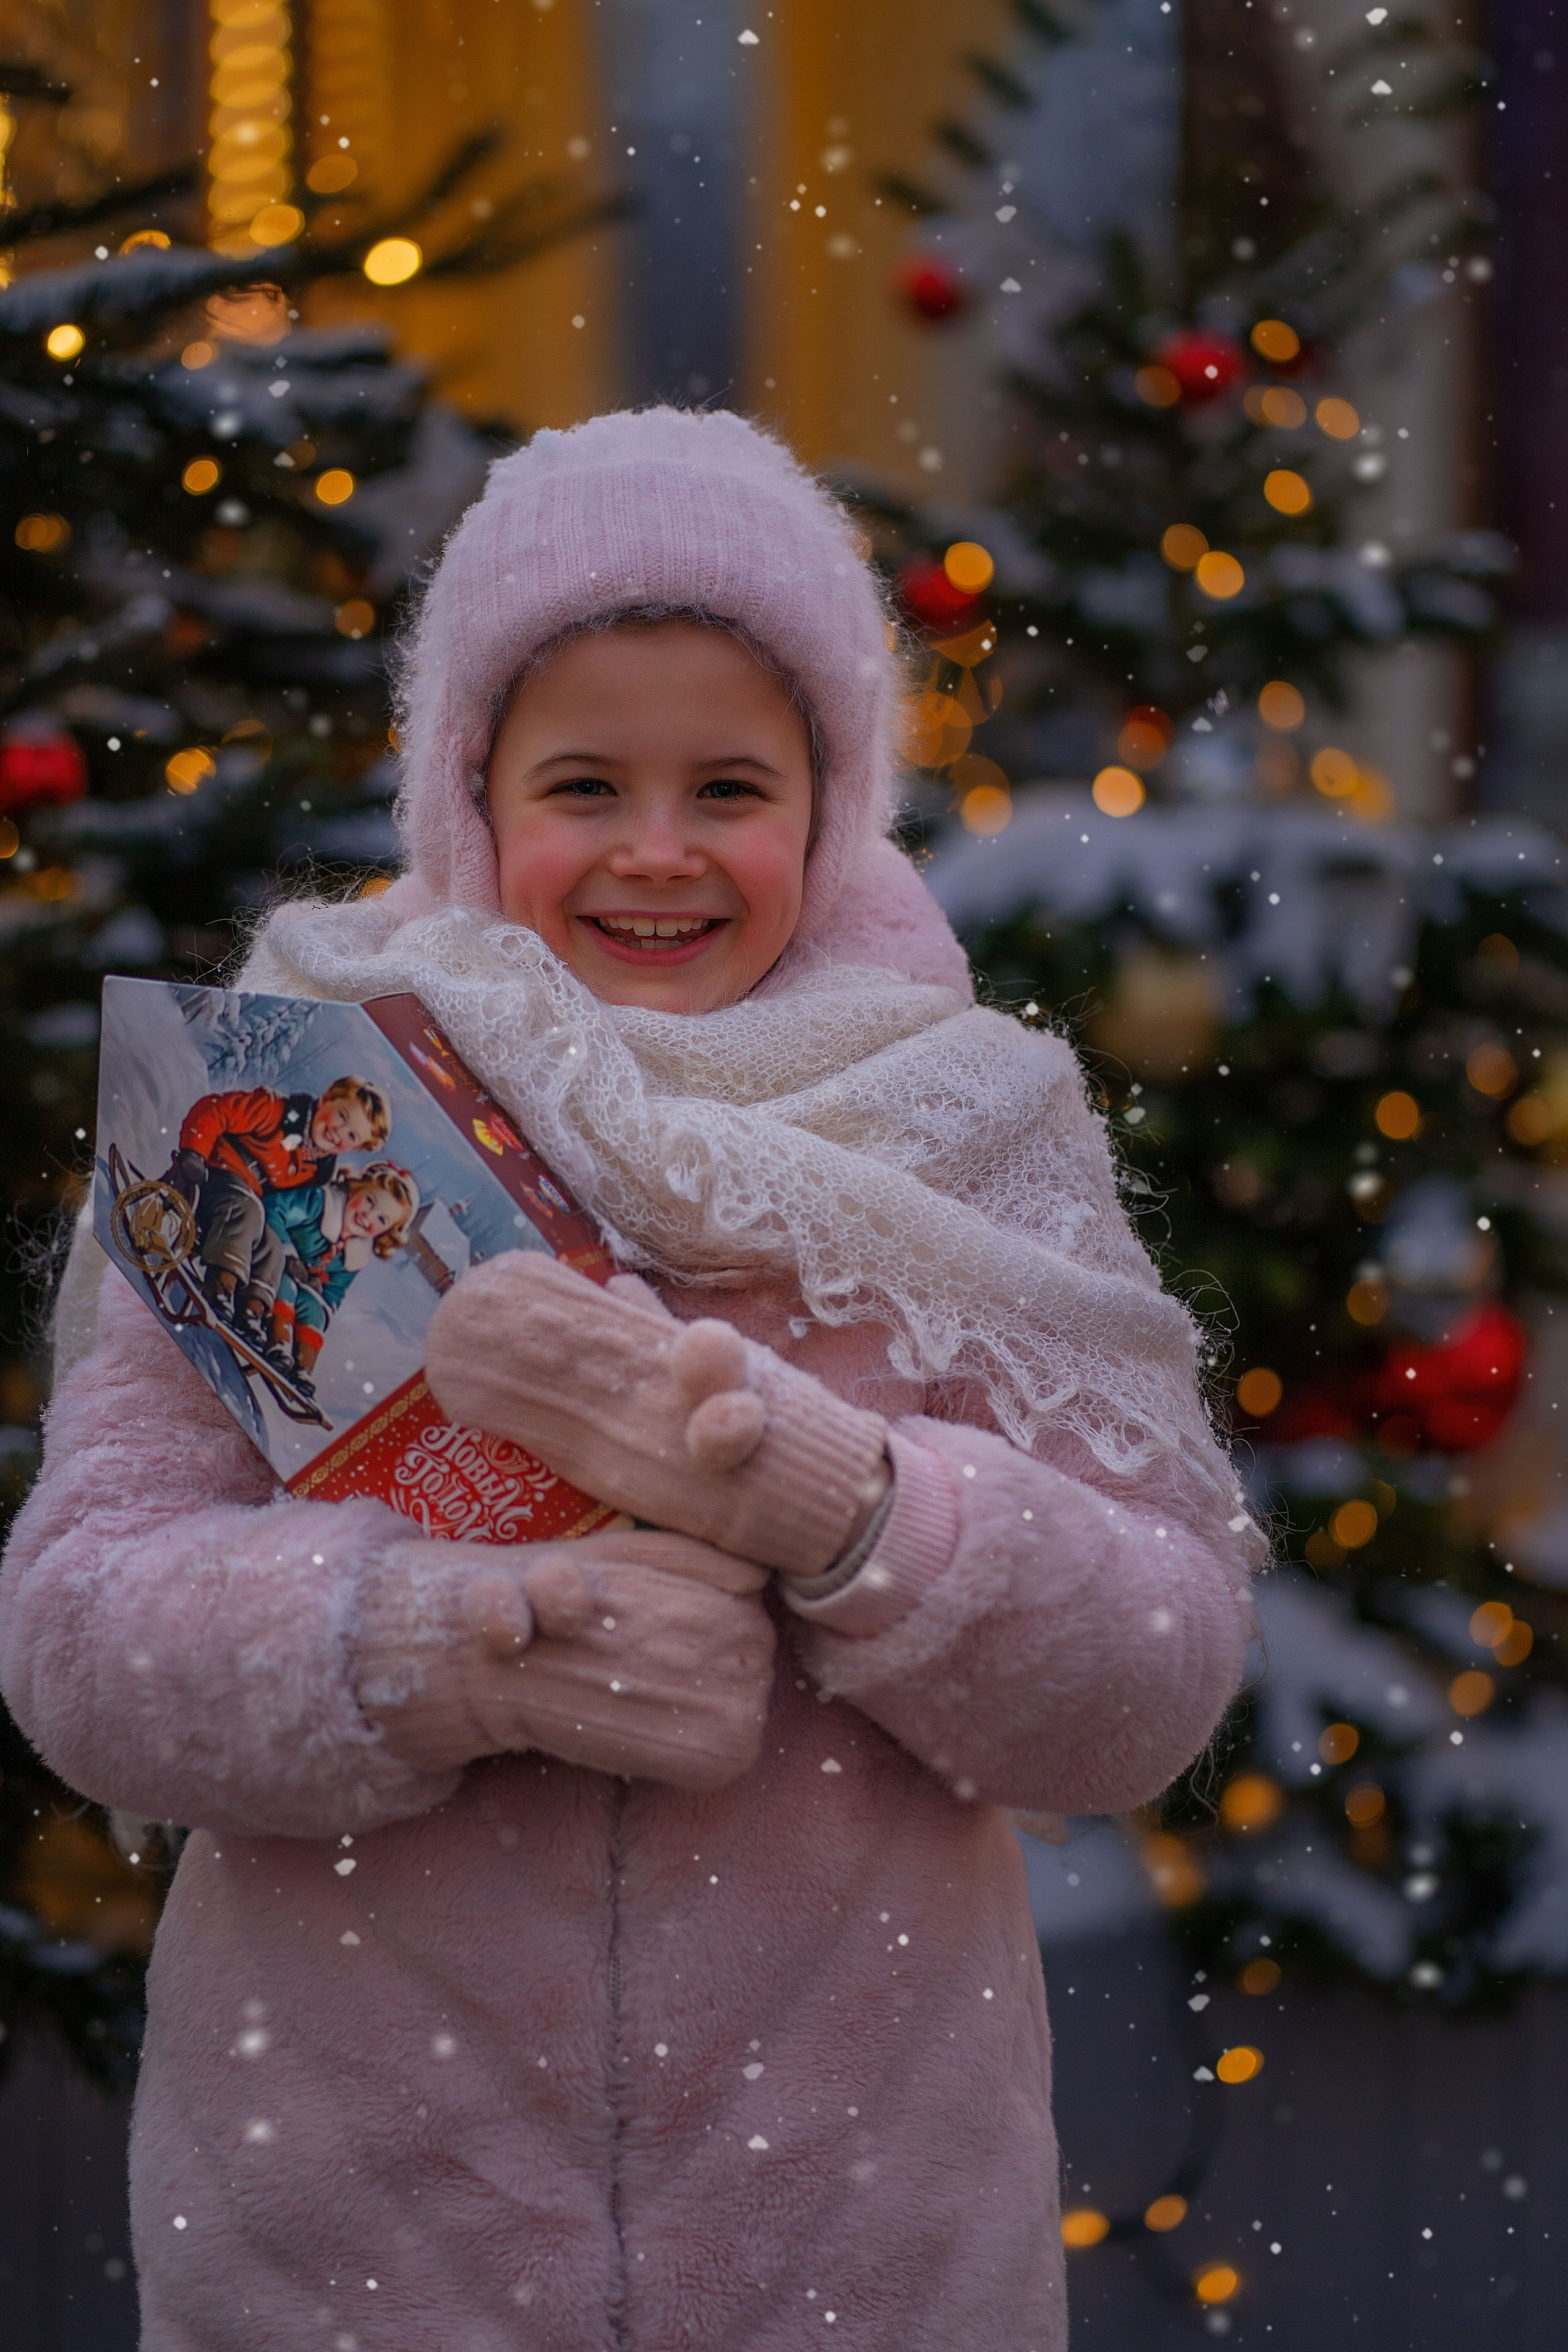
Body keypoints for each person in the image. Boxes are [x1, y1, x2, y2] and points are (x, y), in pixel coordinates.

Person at [0, 409, 1261, 2352]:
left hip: (869, 2269)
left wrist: (843, 1509)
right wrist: (453, 1644)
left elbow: (1150, 1679)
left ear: (829, 803)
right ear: (467, 792)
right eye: (584, 781)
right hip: (341, 2267)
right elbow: (82, 1637)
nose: (658, 852)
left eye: (730, 785)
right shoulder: (279, 1095)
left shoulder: (969, 1131)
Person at [170, 1074, 392, 1333]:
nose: (339, 1132)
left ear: (355, 1147)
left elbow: (282, 1207)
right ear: (326, 1099)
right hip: (213, 1174)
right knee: (247, 1211)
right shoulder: (277, 1112)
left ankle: (251, 1310)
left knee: (273, 1247)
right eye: (342, 1116)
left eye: (352, 1135)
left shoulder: (315, 1171)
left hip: (244, 1208)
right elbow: (217, 1109)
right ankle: (220, 1287)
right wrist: (194, 1152)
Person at [257, 1162, 420, 1396]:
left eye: (382, 1221)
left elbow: (334, 1292)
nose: (368, 1216)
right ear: (356, 1189)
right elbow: (274, 1210)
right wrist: (288, 1251)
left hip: (301, 1281)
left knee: (314, 1310)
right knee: (288, 1286)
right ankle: (279, 1341)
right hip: (270, 1256)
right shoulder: (322, 1204)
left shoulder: (354, 1255)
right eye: (370, 1201)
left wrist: (323, 1304)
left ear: (386, 1233)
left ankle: (302, 1367)